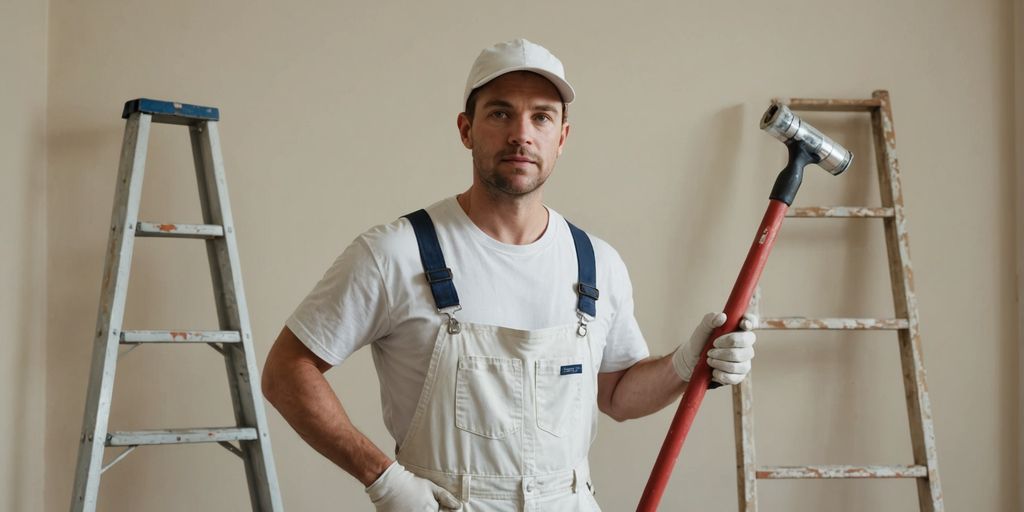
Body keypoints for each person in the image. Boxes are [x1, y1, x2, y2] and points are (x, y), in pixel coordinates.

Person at [261, 38, 756, 512]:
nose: (522, 133)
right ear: (465, 129)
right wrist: (384, 479)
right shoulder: (396, 252)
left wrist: (686, 364)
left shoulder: (596, 262)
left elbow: (618, 396)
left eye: (542, 116)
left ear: (561, 137)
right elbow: (286, 371)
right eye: (500, 112)